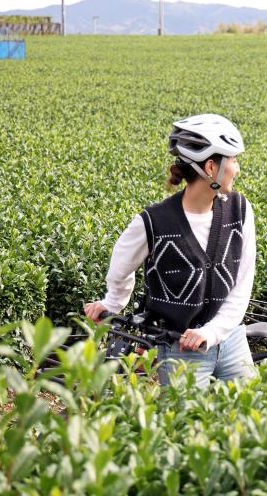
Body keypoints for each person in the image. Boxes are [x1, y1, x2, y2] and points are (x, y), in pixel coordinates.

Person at [85, 113, 256, 384]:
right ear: (211, 167)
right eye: (233, 160)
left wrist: (213, 331)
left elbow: (243, 282)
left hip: (232, 340)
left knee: (250, 419)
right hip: (182, 350)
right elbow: (120, 270)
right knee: (188, 425)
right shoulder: (153, 222)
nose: (237, 168)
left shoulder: (240, 209)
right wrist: (112, 303)